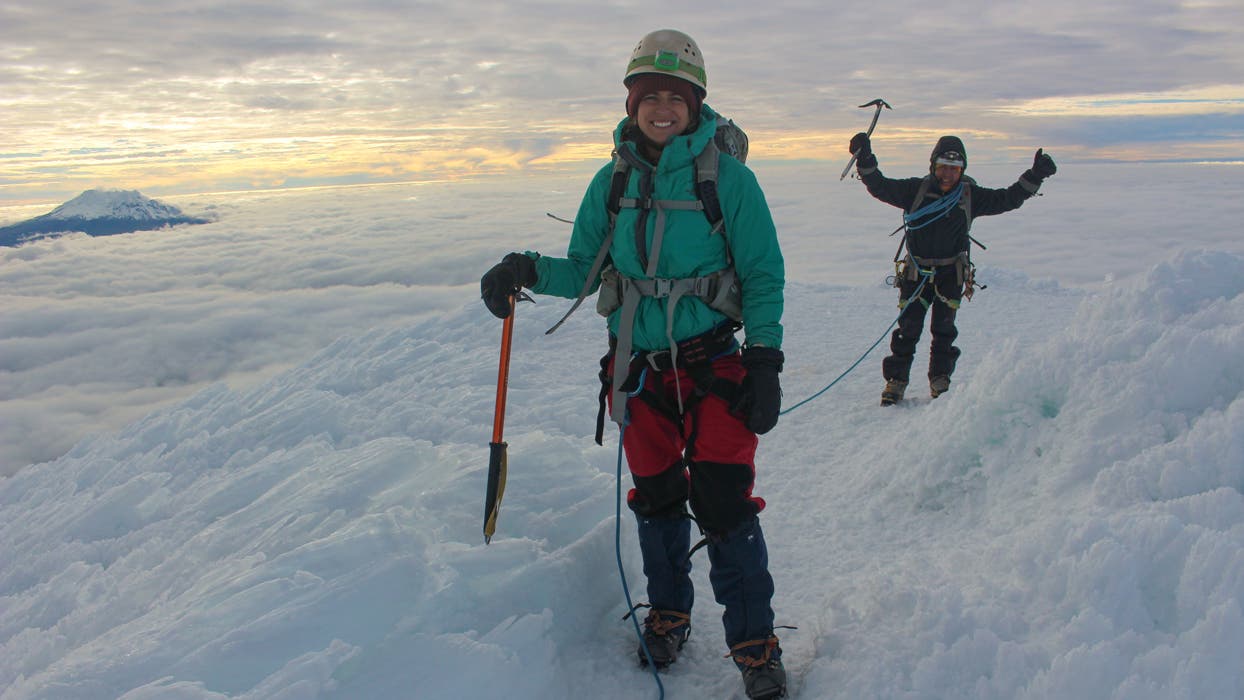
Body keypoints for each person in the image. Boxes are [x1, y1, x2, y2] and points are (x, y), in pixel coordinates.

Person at [480, 28, 788, 700]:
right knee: (656, 500)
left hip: (716, 369)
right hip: (640, 371)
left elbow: (763, 273)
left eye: (676, 96)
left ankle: (755, 646)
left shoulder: (730, 180)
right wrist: (525, 268)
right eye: (650, 95)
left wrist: (765, 358)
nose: (662, 108)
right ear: (632, 103)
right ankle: (670, 614)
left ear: (695, 103)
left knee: (724, 505)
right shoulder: (612, 181)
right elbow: (586, 269)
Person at [849, 132, 1057, 405]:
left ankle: (940, 379)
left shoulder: (971, 195)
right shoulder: (915, 190)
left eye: (954, 169)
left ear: (962, 170)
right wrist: (865, 158)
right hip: (917, 272)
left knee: (944, 330)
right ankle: (896, 381)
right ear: (933, 166)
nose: (948, 174)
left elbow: (1007, 198)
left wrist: (1035, 175)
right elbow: (881, 186)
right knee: (907, 329)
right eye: (943, 167)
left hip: (950, 273)